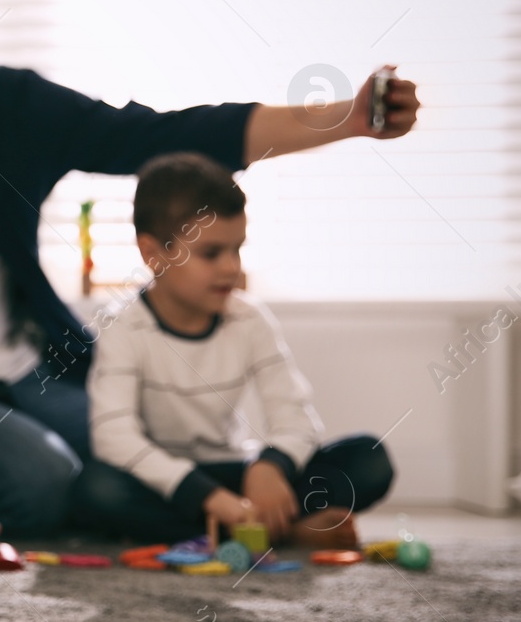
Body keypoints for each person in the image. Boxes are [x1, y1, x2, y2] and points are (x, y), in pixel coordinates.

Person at [0, 0, 420, 537]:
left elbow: (162, 136)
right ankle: (259, 518)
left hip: (44, 369)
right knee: (47, 486)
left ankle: (256, 512)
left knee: (139, 459)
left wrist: (350, 116)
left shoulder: (8, 106)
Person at [79, 152, 394, 545]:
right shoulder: (122, 326)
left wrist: (270, 466)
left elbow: (295, 418)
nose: (231, 267)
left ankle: (239, 529)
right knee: (98, 489)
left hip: (238, 473)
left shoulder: (250, 320)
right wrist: (206, 496)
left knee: (367, 459)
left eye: (237, 248)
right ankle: (278, 533)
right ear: (153, 255)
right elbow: (115, 438)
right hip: (172, 485)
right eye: (211, 253)